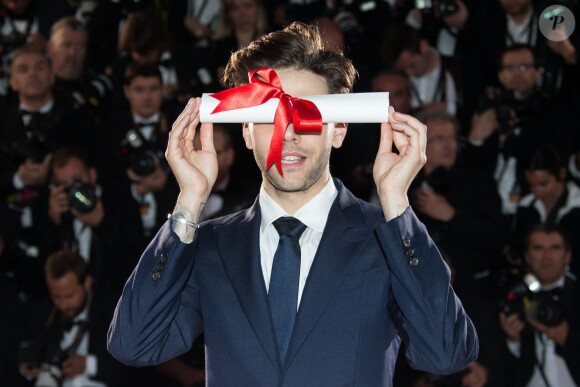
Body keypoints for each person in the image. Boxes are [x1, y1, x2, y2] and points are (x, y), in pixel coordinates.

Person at [107, 22, 478, 385]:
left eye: (307, 115)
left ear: (340, 129)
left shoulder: (388, 240)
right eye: (270, 117)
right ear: (247, 131)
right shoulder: (209, 245)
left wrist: (396, 204)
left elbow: (445, 354)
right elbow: (133, 344)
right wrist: (188, 202)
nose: (288, 135)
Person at [409, 110, 507, 299]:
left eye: (452, 138)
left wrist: (451, 215)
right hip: (420, 293)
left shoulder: (479, 182)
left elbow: (497, 237)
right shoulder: (404, 184)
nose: (448, 145)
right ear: (419, 142)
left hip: (472, 294)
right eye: (439, 139)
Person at [17, 249, 129, 386]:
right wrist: (29, 369)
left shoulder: (113, 312)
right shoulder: (39, 314)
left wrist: (88, 364)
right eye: (56, 297)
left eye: (69, 296)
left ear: (87, 282)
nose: (62, 305)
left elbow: (131, 366)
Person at [498, 223, 580, 386]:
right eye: (538, 248)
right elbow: (501, 368)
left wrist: (567, 339)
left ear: (568, 255)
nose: (547, 256)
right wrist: (513, 340)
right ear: (527, 257)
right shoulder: (514, 296)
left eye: (555, 248)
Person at [513, 145, 580, 276]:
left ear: (561, 174)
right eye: (531, 185)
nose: (537, 191)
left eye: (543, 184)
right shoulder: (527, 206)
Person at [47, 16, 113, 121]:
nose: (72, 53)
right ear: (50, 48)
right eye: (66, 45)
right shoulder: (39, 87)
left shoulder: (98, 87)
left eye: (80, 46)